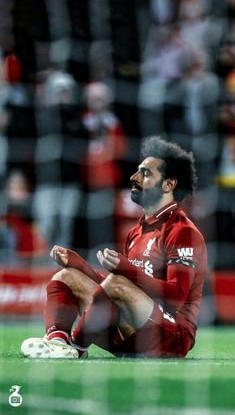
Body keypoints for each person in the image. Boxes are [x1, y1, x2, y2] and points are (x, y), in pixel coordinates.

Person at [21, 136, 207, 359]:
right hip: (133, 333)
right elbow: (113, 292)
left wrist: (125, 269)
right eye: (137, 171)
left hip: (172, 337)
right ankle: (57, 341)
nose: (134, 177)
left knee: (117, 282)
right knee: (66, 276)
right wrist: (79, 265)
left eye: (145, 173)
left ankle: (75, 348)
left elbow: (176, 296)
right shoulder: (136, 232)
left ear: (169, 184)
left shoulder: (183, 231)